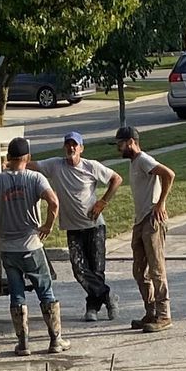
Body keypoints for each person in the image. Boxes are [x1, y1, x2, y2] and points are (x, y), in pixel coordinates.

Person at [0, 135, 63, 355]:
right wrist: (48, 225)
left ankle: (23, 344)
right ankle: (56, 340)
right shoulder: (35, 178)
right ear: (28, 157)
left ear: (9, 157)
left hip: (8, 249)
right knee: (45, 292)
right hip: (31, 245)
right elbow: (54, 202)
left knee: (17, 295)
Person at [41, 130, 121, 323]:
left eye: (75, 145)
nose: (71, 148)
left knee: (96, 270)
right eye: (68, 144)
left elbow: (116, 179)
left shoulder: (91, 166)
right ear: (64, 147)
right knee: (79, 270)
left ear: (81, 148)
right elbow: (30, 165)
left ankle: (92, 307)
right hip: (73, 228)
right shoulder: (55, 166)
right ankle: (108, 296)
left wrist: (103, 202)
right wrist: (9, 163)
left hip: (94, 226)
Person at [115, 127, 175, 333]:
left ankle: (164, 314)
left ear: (131, 142)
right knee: (139, 271)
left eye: (120, 143)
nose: (118, 148)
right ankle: (151, 312)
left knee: (156, 269)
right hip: (140, 221)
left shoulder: (143, 160)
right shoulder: (134, 163)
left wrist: (160, 204)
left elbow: (169, 174)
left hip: (152, 220)